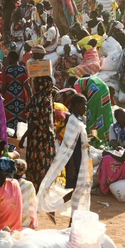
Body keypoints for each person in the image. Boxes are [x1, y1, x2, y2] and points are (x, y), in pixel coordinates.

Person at [37, 94, 92, 225]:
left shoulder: (78, 121)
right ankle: (64, 216)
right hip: (75, 160)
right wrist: (71, 165)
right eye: (83, 104)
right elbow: (68, 145)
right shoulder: (72, 121)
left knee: (78, 189)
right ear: (77, 105)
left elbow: (77, 141)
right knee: (78, 189)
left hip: (81, 158)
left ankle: (70, 219)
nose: (85, 107)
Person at [19, 74, 55, 190]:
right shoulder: (48, 97)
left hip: (38, 137)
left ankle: (36, 190)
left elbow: (35, 121)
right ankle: (43, 191)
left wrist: (24, 136)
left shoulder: (39, 98)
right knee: (44, 165)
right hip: (47, 137)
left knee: (36, 164)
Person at [74, 76, 114, 148]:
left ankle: (93, 138)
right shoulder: (89, 80)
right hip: (104, 89)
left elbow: (81, 98)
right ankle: (108, 137)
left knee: (92, 115)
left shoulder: (76, 84)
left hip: (95, 91)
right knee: (104, 113)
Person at [0, 51, 31, 133]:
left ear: (11, 58)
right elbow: (27, 86)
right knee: (20, 118)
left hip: (8, 98)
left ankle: (10, 136)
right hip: (20, 98)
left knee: (8, 117)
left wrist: (1, 95)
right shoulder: (24, 69)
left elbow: (3, 86)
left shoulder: (6, 70)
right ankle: (18, 136)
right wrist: (31, 99)